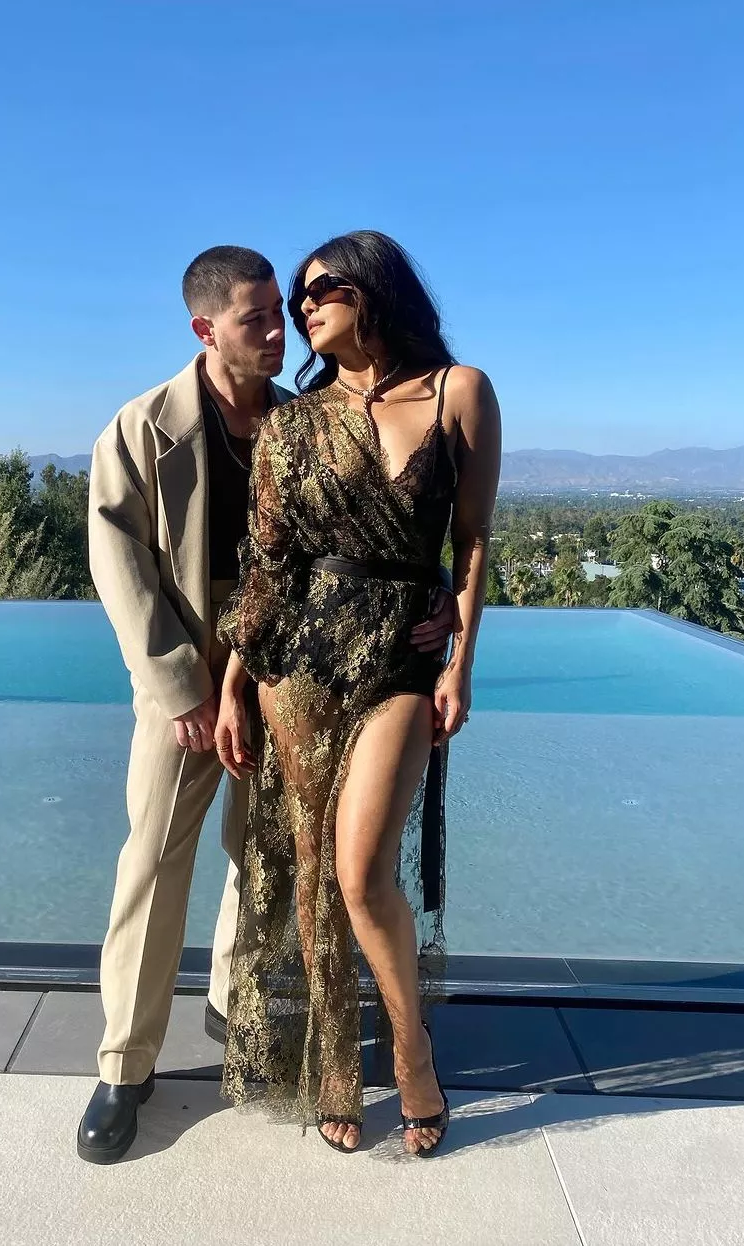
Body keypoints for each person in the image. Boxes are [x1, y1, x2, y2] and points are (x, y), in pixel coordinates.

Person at [78, 244, 456, 1164]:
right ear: (206, 329)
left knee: (268, 852)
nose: (279, 333)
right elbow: (118, 567)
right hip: (188, 656)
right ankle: (125, 1065)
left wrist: (437, 589)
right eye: (256, 320)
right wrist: (182, 688)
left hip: (292, 661)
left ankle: (233, 1008)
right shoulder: (142, 428)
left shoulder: (304, 416)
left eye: (279, 315)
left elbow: (378, 528)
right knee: (154, 857)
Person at [215, 230, 501, 1156]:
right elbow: (268, 565)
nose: (304, 307)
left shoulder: (460, 391)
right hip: (298, 663)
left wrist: (460, 658)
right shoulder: (293, 423)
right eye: (298, 297)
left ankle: (412, 1052)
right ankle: (337, 1065)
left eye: (321, 288)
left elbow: (471, 538)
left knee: (362, 871)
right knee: (311, 869)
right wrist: (235, 683)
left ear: (373, 289)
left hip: (401, 660)